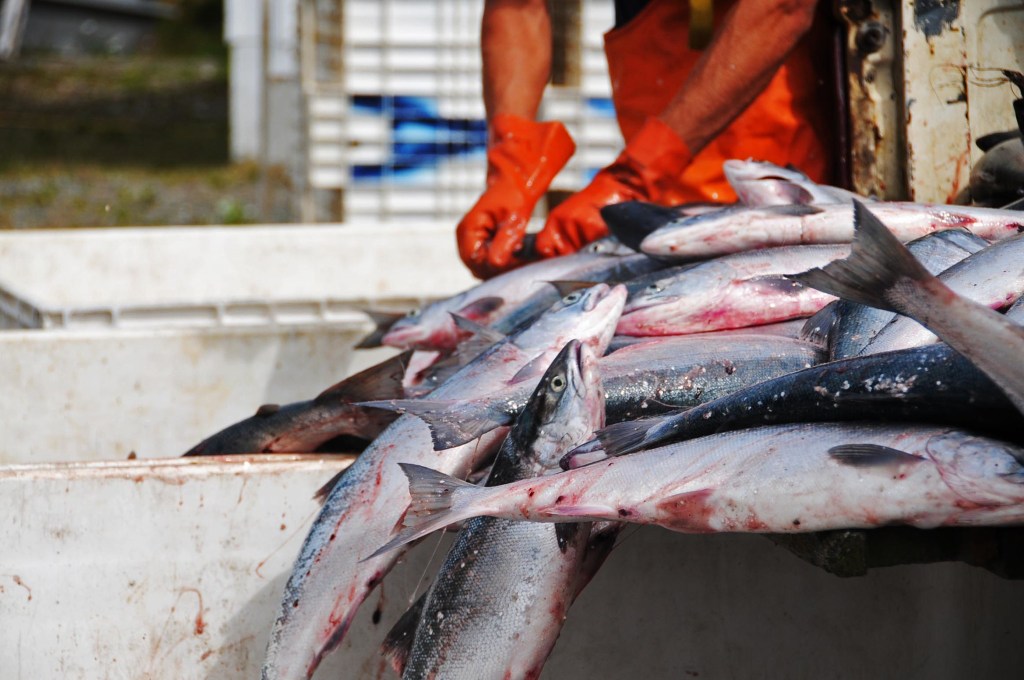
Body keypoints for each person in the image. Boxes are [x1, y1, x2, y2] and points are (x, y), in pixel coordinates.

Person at [456, 0, 836, 279]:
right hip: (663, 195)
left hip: (790, 181)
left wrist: (635, 174)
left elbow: (781, 7)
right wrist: (511, 162)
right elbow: (519, 6)